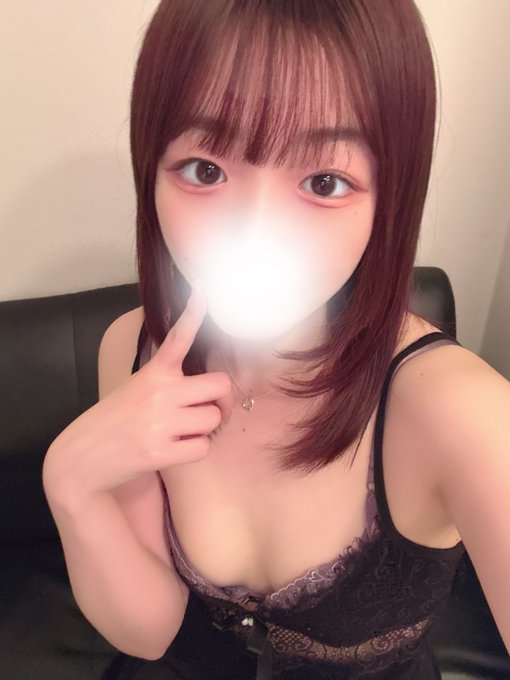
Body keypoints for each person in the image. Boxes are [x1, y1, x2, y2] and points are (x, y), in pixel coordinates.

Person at [43, 1, 510, 679]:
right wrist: (71, 483)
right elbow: (149, 633)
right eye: (205, 170)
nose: (254, 231)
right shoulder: (135, 348)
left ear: (389, 199)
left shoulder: (463, 412)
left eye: (324, 182)